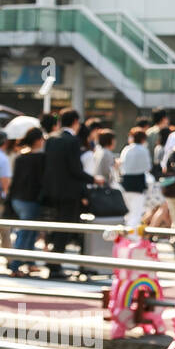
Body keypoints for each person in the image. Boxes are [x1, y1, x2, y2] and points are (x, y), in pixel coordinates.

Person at [40, 108, 102, 280]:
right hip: (70, 192)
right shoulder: (73, 141)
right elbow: (75, 169)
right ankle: (55, 264)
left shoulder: (51, 139)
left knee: (57, 227)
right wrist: (93, 179)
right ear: (75, 122)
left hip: (52, 191)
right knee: (65, 228)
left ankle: (53, 260)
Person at [9, 127, 45, 276]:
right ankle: (15, 265)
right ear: (37, 141)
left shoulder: (20, 157)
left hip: (18, 199)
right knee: (26, 232)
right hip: (31, 199)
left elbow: (15, 180)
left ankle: (30, 262)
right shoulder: (41, 159)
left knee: (29, 231)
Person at [118, 128, 152, 227]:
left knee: (128, 211)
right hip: (138, 183)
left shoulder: (126, 149)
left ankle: (127, 234)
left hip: (125, 182)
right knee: (137, 212)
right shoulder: (144, 150)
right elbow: (148, 167)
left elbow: (121, 165)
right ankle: (133, 237)